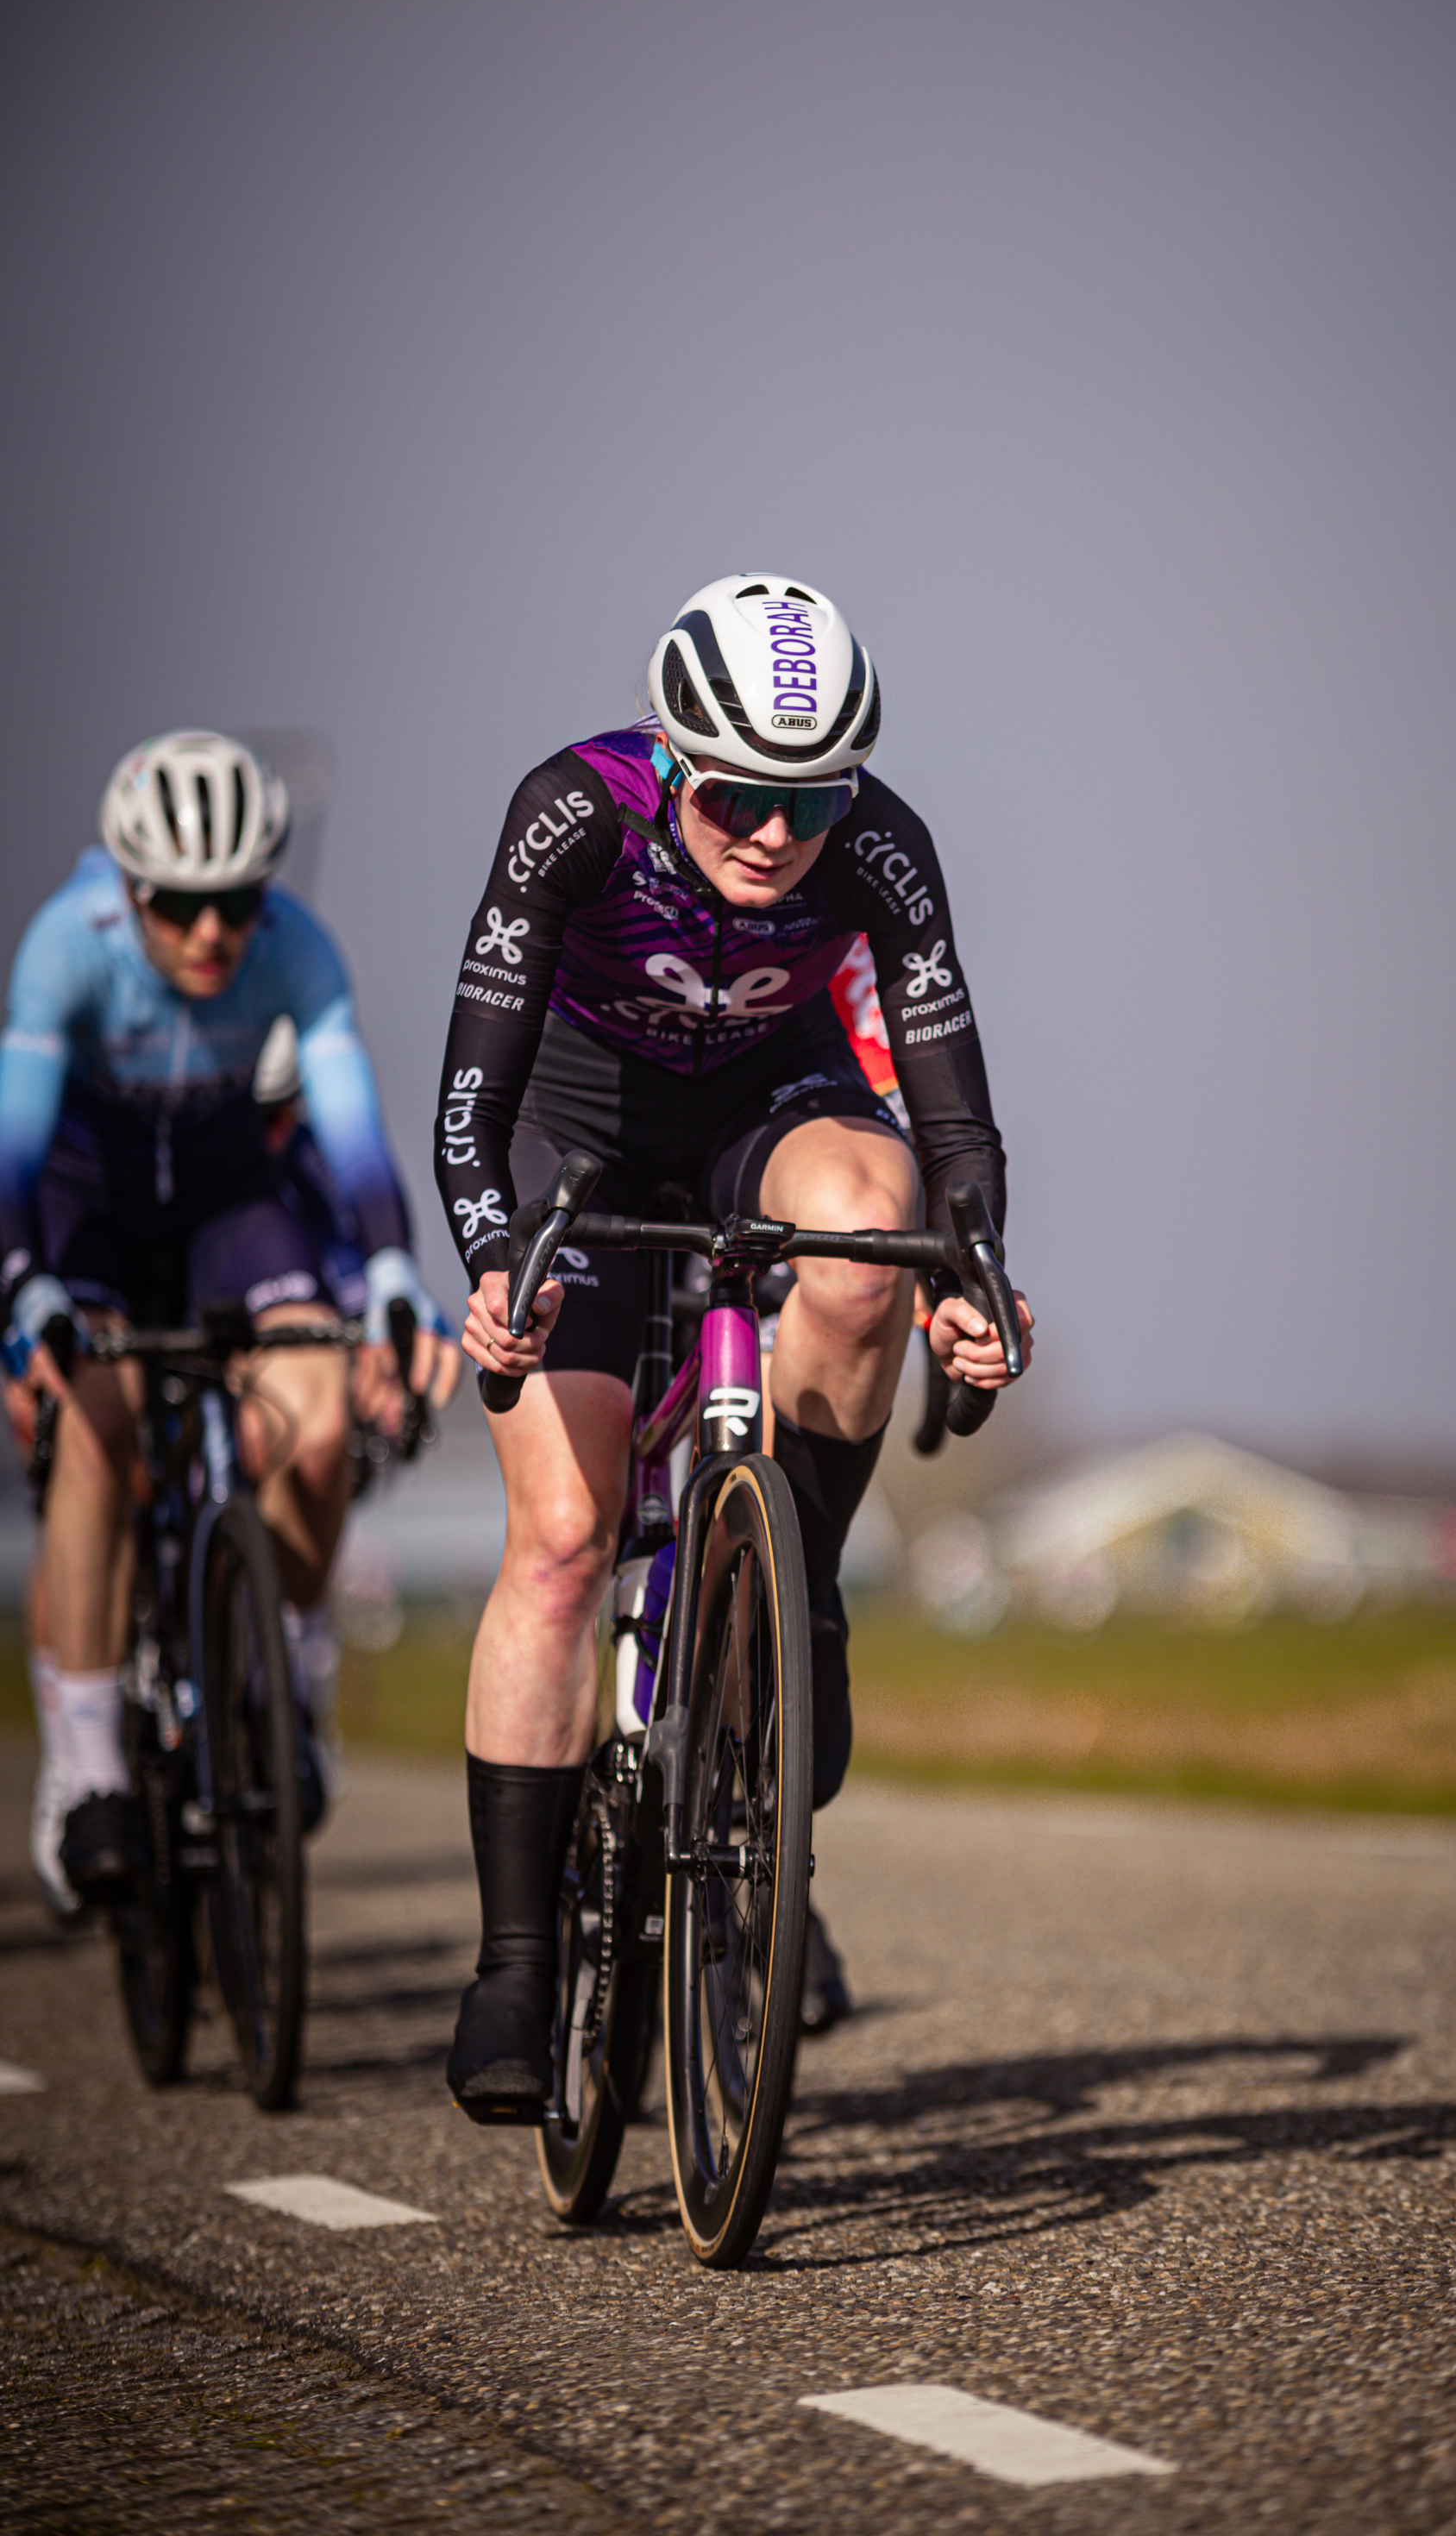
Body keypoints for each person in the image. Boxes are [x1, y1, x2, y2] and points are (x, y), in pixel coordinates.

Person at [434, 573, 1033, 2119]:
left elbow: (956, 1119)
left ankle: (796, 1583)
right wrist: (496, 1259)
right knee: (562, 1543)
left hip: (770, 1111)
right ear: (671, 756)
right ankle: (512, 1961)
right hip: (575, 1130)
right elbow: (471, 1105)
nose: (779, 834)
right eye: (742, 797)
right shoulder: (574, 812)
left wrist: (972, 1283)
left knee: (869, 1226)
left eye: (814, 798)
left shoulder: (884, 847)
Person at [0, 730, 458, 1917]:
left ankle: (290, 1688)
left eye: (238, 903)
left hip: (225, 1208)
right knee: (95, 1429)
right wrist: (23, 1286)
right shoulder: (68, 947)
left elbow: (351, 1132)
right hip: (85, 1206)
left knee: (313, 1429)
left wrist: (395, 1269)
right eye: (182, 906)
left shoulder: (299, 951)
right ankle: (88, 1772)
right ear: (131, 889)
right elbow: (15, 1146)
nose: (212, 934)